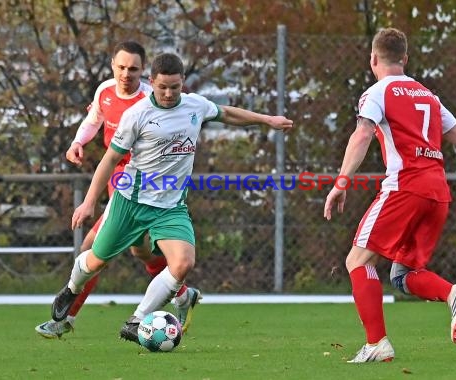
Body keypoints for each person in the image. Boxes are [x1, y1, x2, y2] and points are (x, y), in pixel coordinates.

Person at [49, 52, 294, 344]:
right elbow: (109, 159)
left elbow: (227, 113)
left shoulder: (194, 105)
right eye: (162, 86)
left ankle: (137, 319)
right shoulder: (137, 115)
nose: (168, 93)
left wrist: (267, 120)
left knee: (182, 264)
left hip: (170, 207)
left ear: (183, 84)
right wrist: (89, 202)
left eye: (175, 87)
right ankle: (71, 288)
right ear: (151, 82)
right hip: (130, 202)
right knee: (96, 262)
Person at [323, 28, 456, 363]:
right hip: (438, 192)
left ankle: (376, 344)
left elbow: (362, 134)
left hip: (404, 187)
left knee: (357, 261)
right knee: (403, 276)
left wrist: (341, 183)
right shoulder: (429, 95)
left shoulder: (377, 92)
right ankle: (452, 293)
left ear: (373, 59)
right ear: (406, 59)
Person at [35, 42, 201, 339]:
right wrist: (77, 142)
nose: (126, 74)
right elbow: (94, 119)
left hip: (132, 182)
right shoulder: (106, 91)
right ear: (113, 65)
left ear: (145, 74)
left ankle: (65, 318)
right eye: (121, 67)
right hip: (115, 177)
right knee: (140, 251)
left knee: (91, 248)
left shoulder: (149, 102)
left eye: (134, 69)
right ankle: (181, 294)